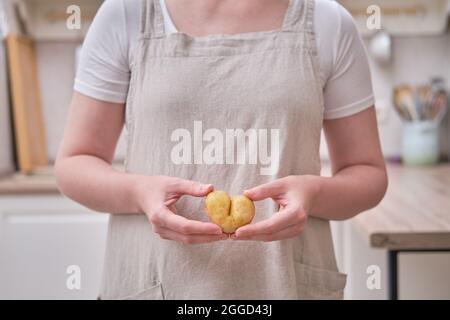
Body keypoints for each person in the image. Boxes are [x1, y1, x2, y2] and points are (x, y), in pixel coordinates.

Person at [55, 0, 388, 299]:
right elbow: (74, 164)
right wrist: (140, 193)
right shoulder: (126, 15)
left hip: (288, 288)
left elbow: (367, 173)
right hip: (154, 283)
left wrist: (313, 193)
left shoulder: (328, 22)